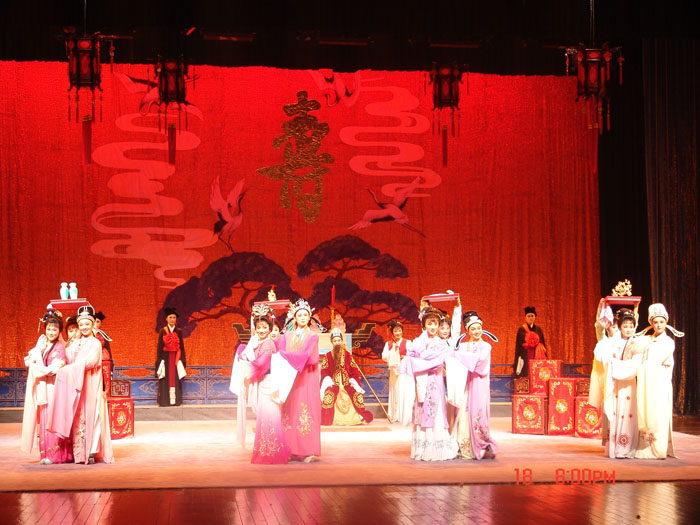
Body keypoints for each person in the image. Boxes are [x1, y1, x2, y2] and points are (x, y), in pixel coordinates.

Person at [48, 305, 114, 464]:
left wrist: (68, 369)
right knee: (79, 416)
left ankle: (91, 450)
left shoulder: (95, 343)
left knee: (93, 415)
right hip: (78, 383)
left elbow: (90, 362)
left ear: (92, 324)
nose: (84, 327)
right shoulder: (76, 343)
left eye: (87, 324)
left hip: (91, 383)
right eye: (81, 324)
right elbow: (67, 357)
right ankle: (79, 453)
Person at [231, 306, 291, 464]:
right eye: (259, 327)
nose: (261, 330)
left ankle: (273, 453)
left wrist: (247, 365)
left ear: (270, 329)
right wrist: (243, 355)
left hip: (269, 384)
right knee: (264, 419)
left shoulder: (269, 344)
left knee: (271, 418)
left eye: (264, 327)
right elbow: (251, 358)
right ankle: (268, 451)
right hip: (263, 382)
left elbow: (261, 364)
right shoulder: (258, 342)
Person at [399, 305, 458, 461]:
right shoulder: (417, 342)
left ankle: (436, 449)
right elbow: (409, 357)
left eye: (435, 323)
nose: (432, 327)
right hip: (421, 383)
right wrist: (415, 361)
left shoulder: (441, 344)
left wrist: (418, 362)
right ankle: (422, 449)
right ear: (424, 325)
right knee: (421, 411)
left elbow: (437, 363)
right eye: (429, 323)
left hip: (434, 382)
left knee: (435, 412)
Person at [20, 309, 73, 464]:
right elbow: (29, 359)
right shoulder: (43, 344)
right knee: (44, 420)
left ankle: (56, 455)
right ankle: (45, 454)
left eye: (54, 329)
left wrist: (36, 368)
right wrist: (35, 362)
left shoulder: (60, 348)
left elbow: (53, 369)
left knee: (53, 419)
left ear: (59, 331)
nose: (51, 332)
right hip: (45, 387)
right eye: (49, 328)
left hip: (54, 387)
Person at [589, 308, 643, 458]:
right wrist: (611, 364)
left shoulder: (636, 345)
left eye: (631, 326)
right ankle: (615, 448)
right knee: (616, 412)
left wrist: (615, 365)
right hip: (615, 383)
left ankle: (627, 448)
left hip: (628, 383)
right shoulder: (613, 343)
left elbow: (635, 366)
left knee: (628, 413)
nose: (628, 329)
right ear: (620, 328)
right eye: (625, 326)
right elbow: (602, 356)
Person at [634, 303, 684, 459]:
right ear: (651, 323)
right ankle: (646, 447)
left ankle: (659, 449)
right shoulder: (646, 340)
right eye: (655, 322)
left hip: (659, 382)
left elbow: (655, 361)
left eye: (661, 322)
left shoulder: (668, 342)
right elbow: (632, 340)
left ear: (666, 322)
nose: (658, 325)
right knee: (646, 410)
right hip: (646, 381)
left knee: (659, 413)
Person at [446, 311, 498, 460]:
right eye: (473, 329)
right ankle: (463, 446)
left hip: (478, 384)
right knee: (462, 413)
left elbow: (479, 363)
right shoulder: (463, 346)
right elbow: (451, 354)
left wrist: (459, 356)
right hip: (465, 384)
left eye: (478, 328)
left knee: (477, 412)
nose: (476, 331)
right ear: (468, 331)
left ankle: (481, 445)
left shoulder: (486, 346)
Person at [275, 299, 321, 462]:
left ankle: (307, 450)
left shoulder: (313, 337)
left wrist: (287, 356)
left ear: (309, 317)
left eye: (305, 315)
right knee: (290, 411)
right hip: (289, 379)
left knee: (305, 410)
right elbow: (278, 352)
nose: (302, 317)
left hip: (306, 377)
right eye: (299, 315)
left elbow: (309, 356)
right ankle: (289, 449)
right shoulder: (286, 336)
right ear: (294, 317)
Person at [320, 328, 374, 425]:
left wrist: (353, 381)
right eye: (335, 341)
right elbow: (324, 372)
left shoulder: (347, 355)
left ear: (341, 341)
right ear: (332, 342)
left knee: (357, 394)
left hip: (347, 383)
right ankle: (328, 419)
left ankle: (358, 417)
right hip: (333, 384)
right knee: (328, 394)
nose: (337, 343)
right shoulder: (327, 356)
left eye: (339, 340)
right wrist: (328, 382)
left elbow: (354, 371)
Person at [156, 307, 187, 407]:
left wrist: (182, 360)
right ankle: (164, 401)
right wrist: (159, 361)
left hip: (175, 359)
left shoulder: (179, 331)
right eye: (170, 317)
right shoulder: (163, 331)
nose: (172, 319)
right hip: (165, 359)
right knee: (165, 379)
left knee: (175, 379)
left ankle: (175, 401)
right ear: (166, 319)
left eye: (174, 317)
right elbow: (159, 347)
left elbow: (181, 347)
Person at [381, 320, 409, 422]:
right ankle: (394, 414)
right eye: (396, 331)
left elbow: (412, 355)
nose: (398, 333)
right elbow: (384, 357)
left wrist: (405, 357)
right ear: (392, 332)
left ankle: (403, 415)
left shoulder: (407, 343)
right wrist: (393, 350)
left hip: (404, 371)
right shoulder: (389, 344)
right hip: (394, 371)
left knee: (403, 391)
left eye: (399, 330)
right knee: (395, 392)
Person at [513, 306, 546, 377]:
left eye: (532, 316)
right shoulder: (521, 329)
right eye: (528, 316)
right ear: (525, 317)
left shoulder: (538, 329)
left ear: (535, 317)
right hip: (525, 356)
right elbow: (518, 346)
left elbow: (543, 344)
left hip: (537, 355)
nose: (530, 318)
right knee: (526, 374)